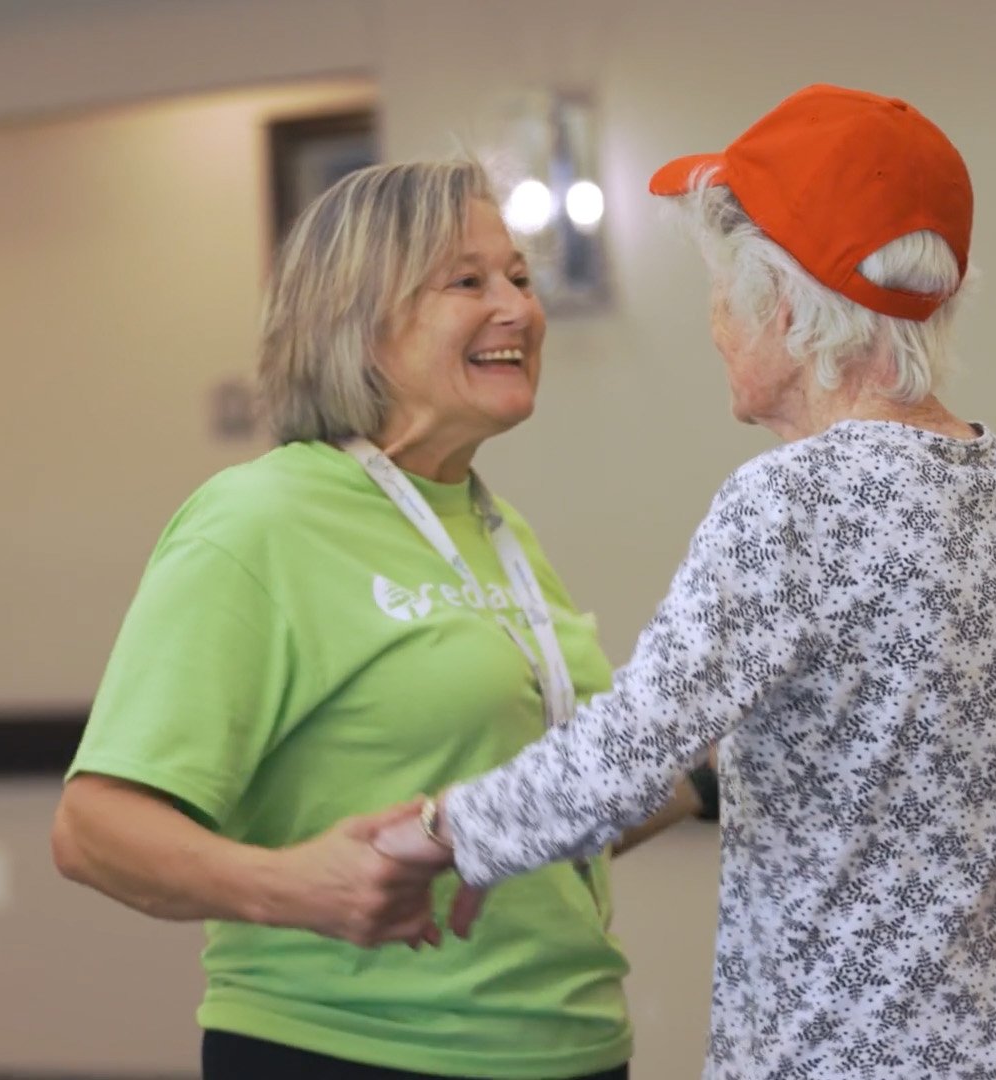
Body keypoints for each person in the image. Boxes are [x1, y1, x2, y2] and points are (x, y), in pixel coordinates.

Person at [377, 84, 996, 1080]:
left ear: (784, 305)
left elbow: (630, 749)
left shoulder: (793, 500)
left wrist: (439, 832)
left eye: (724, 291)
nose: (716, 322)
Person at [52, 159, 674, 1080]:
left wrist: (717, 772)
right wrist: (290, 885)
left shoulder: (497, 530)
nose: (518, 309)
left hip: (570, 1047)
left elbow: (558, 804)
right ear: (358, 321)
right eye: (468, 282)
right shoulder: (260, 520)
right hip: (350, 1046)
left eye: (519, 277)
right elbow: (92, 828)